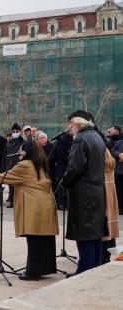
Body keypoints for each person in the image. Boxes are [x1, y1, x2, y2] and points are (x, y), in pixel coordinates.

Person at [0, 140, 58, 281]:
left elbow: (6, 176)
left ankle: (33, 272)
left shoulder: (25, 165)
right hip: (45, 203)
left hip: (35, 205)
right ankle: (42, 268)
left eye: (21, 149)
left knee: (34, 237)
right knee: (44, 238)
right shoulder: (40, 163)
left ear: (26, 151)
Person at [62, 110, 106, 276]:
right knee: (95, 233)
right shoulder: (97, 136)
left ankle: (84, 270)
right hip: (97, 191)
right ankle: (94, 267)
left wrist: (63, 182)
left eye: (72, 124)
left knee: (85, 234)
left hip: (84, 193)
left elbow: (74, 167)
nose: (70, 127)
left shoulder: (80, 139)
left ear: (78, 124)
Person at [102, 147, 119, 263]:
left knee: (104, 227)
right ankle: (108, 255)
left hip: (104, 194)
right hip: (111, 194)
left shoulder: (101, 164)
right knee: (110, 226)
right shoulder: (111, 162)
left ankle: (104, 256)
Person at [2, 123, 24, 208]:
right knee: (10, 186)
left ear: (20, 132)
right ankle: (11, 202)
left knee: (18, 186)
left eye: (17, 131)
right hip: (9, 166)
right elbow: (4, 155)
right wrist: (3, 167)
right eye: (14, 131)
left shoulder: (23, 142)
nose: (15, 133)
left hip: (19, 167)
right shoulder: (8, 143)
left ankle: (18, 202)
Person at [54, 127, 73, 210]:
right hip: (62, 165)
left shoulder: (72, 139)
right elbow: (61, 153)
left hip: (69, 165)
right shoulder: (62, 140)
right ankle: (60, 203)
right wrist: (70, 158)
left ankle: (66, 203)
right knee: (61, 185)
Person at [112, 138, 123, 215]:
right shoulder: (119, 142)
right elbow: (113, 151)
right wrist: (118, 154)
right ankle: (120, 208)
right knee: (119, 191)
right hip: (119, 171)